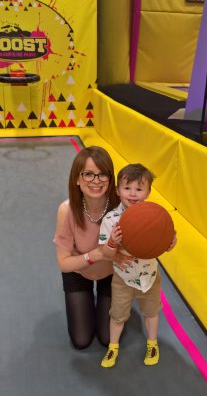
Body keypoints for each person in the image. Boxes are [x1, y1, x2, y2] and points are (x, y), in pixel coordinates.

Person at [99, 163, 175, 368]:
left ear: (148, 193)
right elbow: (105, 253)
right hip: (123, 278)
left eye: (139, 189)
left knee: (151, 311)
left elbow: (166, 243)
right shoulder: (111, 220)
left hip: (149, 276)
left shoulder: (154, 218)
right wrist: (112, 243)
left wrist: (170, 243)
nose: (133, 194)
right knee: (117, 315)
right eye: (127, 188)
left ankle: (152, 343)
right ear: (117, 190)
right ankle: (113, 347)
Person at [54, 146, 129, 350]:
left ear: (110, 178)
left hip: (112, 275)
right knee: (81, 340)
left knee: (107, 339)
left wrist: (166, 240)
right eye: (88, 174)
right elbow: (64, 263)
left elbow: (147, 230)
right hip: (79, 272)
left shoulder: (121, 208)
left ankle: (109, 300)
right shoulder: (67, 210)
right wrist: (97, 254)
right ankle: (88, 298)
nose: (96, 181)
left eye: (102, 174)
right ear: (77, 179)